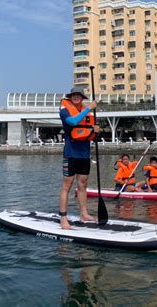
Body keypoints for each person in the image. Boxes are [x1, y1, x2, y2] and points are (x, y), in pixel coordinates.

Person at [59, 87, 101, 230]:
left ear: (82, 97)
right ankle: (63, 218)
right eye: (73, 95)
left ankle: (84, 214)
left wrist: (95, 131)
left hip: (84, 153)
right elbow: (73, 122)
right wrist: (89, 108)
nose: (76, 97)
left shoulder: (88, 112)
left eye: (78, 95)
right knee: (67, 185)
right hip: (70, 153)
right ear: (70, 97)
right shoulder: (64, 111)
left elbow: (89, 133)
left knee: (82, 184)